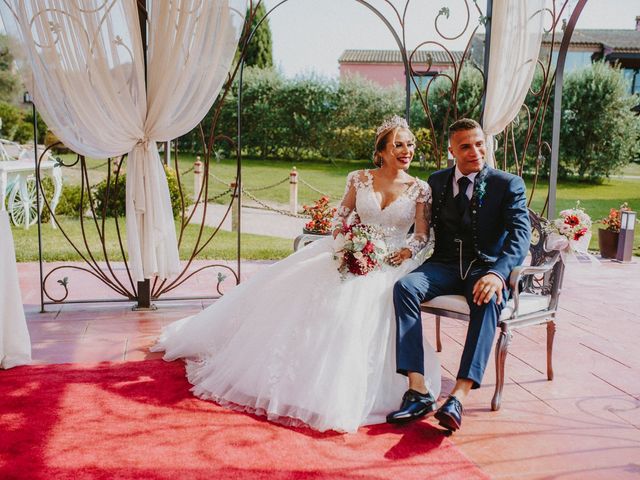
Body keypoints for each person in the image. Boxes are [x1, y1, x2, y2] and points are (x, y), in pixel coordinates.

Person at [151, 116, 441, 433]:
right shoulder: (359, 179)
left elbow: (422, 236)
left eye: (410, 144)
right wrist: (348, 242)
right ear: (381, 151)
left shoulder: (420, 188)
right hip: (352, 251)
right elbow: (341, 217)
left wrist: (407, 251)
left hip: (392, 261)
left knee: (368, 303)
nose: (407, 150)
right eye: (398, 144)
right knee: (309, 294)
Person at [386, 118, 531, 432]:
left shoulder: (507, 184)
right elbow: (417, 228)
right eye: (465, 146)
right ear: (452, 151)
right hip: (444, 266)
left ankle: (458, 397)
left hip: (484, 267)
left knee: (488, 297)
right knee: (405, 287)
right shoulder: (436, 182)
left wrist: (497, 273)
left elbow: (520, 236)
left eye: (479, 143)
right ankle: (418, 389)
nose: (475, 151)